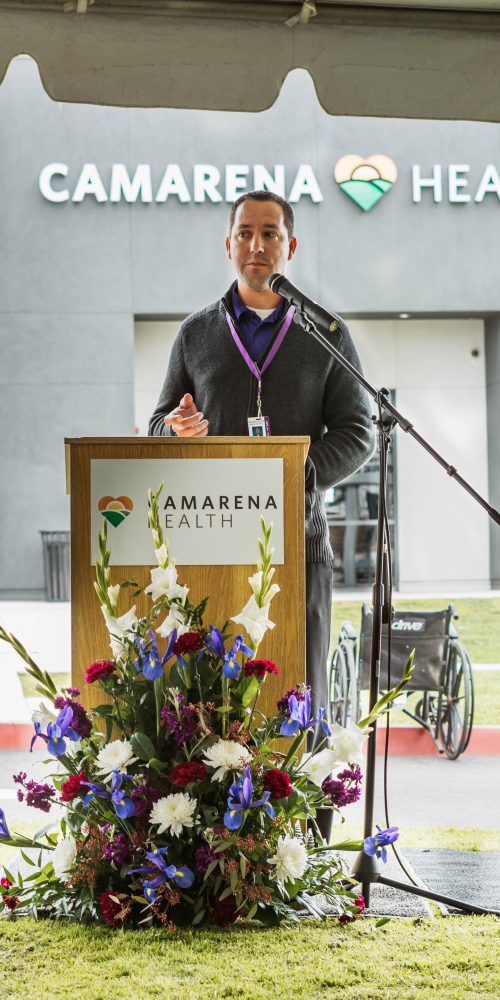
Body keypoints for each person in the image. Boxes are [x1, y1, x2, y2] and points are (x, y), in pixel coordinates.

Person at [149, 191, 374, 835]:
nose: (256, 245)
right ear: (228, 244)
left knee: (299, 692)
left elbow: (357, 431)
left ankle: (300, 840)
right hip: (212, 549)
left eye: (270, 234)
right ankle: (216, 834)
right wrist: (176, 428)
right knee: (214, 694)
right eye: (244, 233)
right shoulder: (195, 332)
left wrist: (293, 476)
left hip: (299, 546)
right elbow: (160, 422)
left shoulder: (326, 334)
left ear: (290, 247)